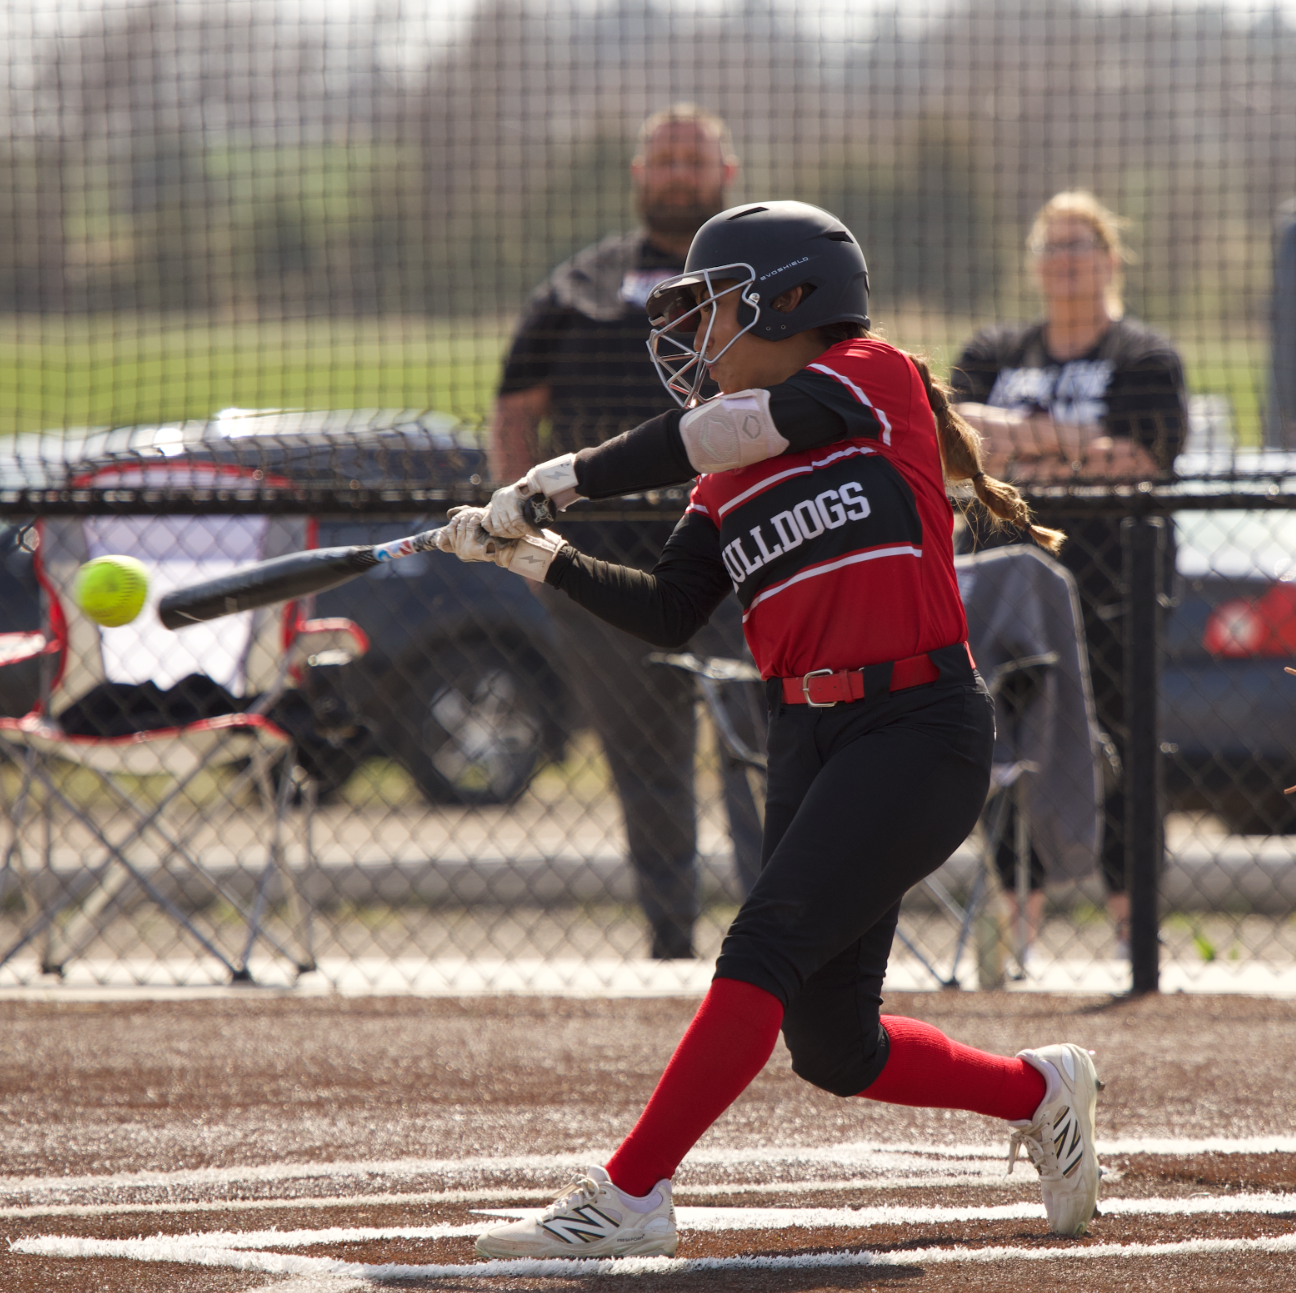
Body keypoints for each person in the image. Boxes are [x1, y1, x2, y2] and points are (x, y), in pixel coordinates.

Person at [439, 200, 1104, 1257]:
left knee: (760, 948)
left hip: (916, 725)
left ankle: (632, 1194)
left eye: (715, 309)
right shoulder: (722, 473)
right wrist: (530, 555)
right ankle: (1039, 1092)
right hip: (806, 737)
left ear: (794, 297)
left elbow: (726, 428)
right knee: (836, 1048)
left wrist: (551, 482)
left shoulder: (868, 379)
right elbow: (669, 607)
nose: (697, 337)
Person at [487, 103, 762, 958]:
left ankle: (779, 938)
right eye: (665, 160)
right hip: (603, 564)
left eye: (695, 159)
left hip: (743, 551)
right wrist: (523, 519)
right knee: (646, 761)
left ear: (728, 174)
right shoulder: (580, 286)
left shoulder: (762, 275)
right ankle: (671, 943)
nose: (680, 173)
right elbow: (513, 407)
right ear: (639, 176)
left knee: (762, 748)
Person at [946, 191, 1187, 961]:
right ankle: (1013, 933)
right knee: (1005, 749)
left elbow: (1139, 458)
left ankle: (1132, 928)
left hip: (1114, 591)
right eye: (1051, 245)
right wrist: (1076, 439)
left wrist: (1017, 436)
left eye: (1081, 244)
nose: (1065, 259)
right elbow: (957, 439)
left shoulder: (1144, 357)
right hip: (1002, 583)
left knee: (1120, 749)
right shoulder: (993, 351)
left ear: (1110, 259)